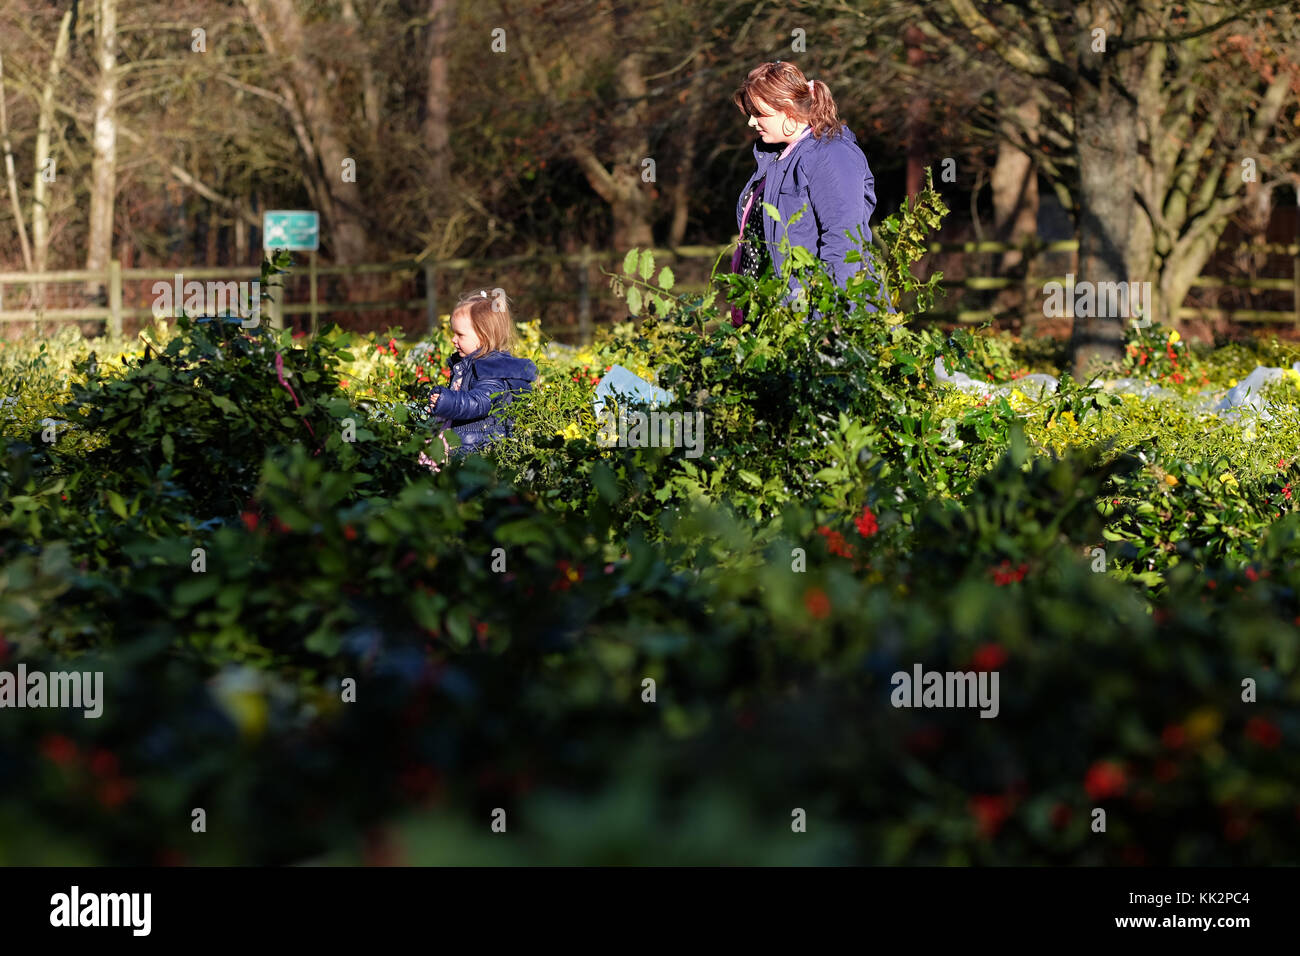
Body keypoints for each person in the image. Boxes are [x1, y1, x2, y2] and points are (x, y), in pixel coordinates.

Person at [730, 61, 892, 325]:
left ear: (787, 108)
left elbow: (844, 243)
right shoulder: (775, 158)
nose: (750, 122)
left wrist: (831, 323)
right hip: (773, 320)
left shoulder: (831, 155)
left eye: (758, 113)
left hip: (816, 322)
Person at [417, 289, 537, 470]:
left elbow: (479, 402)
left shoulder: (492, 370)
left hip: (476, 448)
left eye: (460, 334)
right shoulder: (469, 363)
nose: (453, 339)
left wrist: (447, 401)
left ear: (483, 336)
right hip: (462, 441)